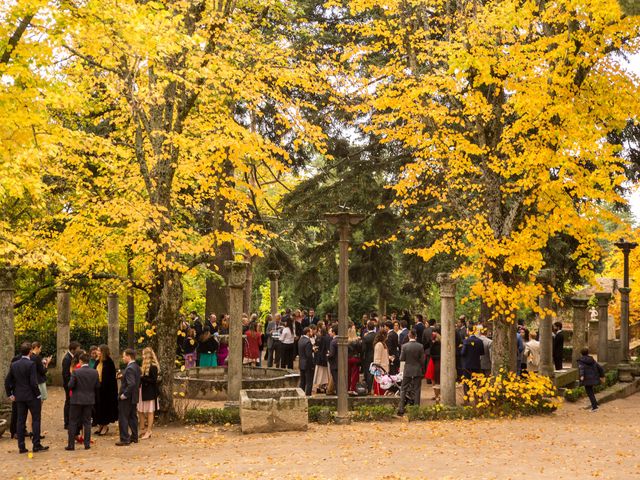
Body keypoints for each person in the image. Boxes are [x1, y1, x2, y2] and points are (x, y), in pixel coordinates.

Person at [4, 342, 48, 454]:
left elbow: (7, 380)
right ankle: (36, 444)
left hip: (19, 396)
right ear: (30, 352)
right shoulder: (31, 364)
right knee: (36, 419)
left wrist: (10, 394)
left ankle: (21, 447)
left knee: (20, 420)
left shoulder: (14, 364)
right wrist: (38, 394)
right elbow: (33, 382)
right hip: (32, 396)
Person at [66, 351, 99, 451]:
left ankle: (71, 445)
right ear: (88, 361)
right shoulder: (94, 372)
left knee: (73, 422)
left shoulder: (76, 372)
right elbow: (97, 386)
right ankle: (87, 444)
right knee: (87, 422)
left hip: (76, 399)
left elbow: (70, 385)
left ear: (80, 361)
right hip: (89, 399)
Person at [116, 349, 141, 446]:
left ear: (129, 356)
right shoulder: (136, 367)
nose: (122, 358)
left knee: (123, 417)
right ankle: (134, 437)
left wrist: (124, 394)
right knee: (132, 417)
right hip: (134, 396)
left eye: (123, 356)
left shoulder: (130, 368)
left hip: (127, 397)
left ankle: (125, 439)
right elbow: (137, 382)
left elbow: (131, 383)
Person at [397, 329, 425, 415]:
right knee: (417, 389)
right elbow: (422, 360)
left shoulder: (404, 346)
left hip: (408, 369)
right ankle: (416, 409)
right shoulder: (420, 346)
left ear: (409, 336)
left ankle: (401, 408)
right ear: (415, 336)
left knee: (403, 388)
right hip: (417, 369)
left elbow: (401, 358)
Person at [94, 344, 119, 436]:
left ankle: (105, 426)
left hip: (106, 391)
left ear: (103, 352)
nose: (97, 352)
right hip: (98, 389)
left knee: (104, 408)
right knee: (98, 408)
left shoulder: (109, 362)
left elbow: (110, 379)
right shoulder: (97, 362)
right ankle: (100, 425)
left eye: (99, 350)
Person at [138, 347, 159, 440]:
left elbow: (154, 380)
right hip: (142, 390)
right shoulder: (143, 365)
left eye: (143, 354)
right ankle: (142, 429)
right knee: (140, 410)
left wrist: (142, 378)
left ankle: (149, 430)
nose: (142, 356)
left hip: (150, 391)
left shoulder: (153, 366)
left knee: (150, 411)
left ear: (147, 355)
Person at [577, 347, 604, 412]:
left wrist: (581, 376)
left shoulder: (581, 361)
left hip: (587, 379)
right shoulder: (592, 360)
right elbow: (600, 368)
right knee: (591, 392)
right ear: (588, 353)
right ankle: (595, 404)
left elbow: (581, 368)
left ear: (581, 353)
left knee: (590, 393)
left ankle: (594, 407)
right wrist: (602, 376)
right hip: (593, 378)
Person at [62, 341, 81, 430]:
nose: (79, 350)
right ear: (73, 350)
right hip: (69, 385)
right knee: (68, 402)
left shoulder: (72, 357)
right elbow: (66, 374)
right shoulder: (67, 359)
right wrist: (70, 384)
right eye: (78, 349)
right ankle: (67, 422)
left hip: (71, 384)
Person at [461, 326, 484, 397]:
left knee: (466, 382)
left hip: (467, 365)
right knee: (476, 381)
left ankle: (467, 397)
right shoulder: (480, 341)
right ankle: (477, 397)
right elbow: (482, 352)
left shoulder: (466, 341)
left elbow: (463, 353)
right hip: (476, 364)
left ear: (468, 331)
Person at [425, 329, 442, 401]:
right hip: (434, 361)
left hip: (437, 361)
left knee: (436, 379)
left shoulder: (439, 343)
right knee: (434, 379)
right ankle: (437, 395)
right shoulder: (433, 342)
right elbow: (425, 346)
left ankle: (438, 395)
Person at [313, 327, 330, 394]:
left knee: (319, 374)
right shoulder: (327, 338)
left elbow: (316, 347)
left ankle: (318, 387)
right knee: (325, 374)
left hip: (319, 358)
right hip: (324, 358)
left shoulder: (318, 338)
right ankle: (324, 386)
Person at [361, 321, 377, 393]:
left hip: (367, 356)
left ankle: (369, 388)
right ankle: (374, 387)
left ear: (367, 327)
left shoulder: (366, 337)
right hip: (375, 355)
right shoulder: (377, 335)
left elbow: (363, 349)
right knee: (375, 371)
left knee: (368, 372)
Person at [298, 327, 314, 396]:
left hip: (301, 363)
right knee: (309, 382)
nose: (312, 333)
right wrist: (312, 365)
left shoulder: (300, 340)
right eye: (311, 331)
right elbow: (309, 355)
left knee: (302, 381)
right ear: (307, 332)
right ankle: (308, 396)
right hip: (307, 364)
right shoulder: (308, 342)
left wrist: (312, 350)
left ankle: (300, 395)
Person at [373, 329, 390, 396]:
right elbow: (377, 358)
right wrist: (377, 370)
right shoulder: (379, 345)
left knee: (383, 386)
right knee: (379, 387)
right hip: (380, 369)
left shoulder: (383, 344)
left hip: (384, 368)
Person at [347, 323, 362, 393]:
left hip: (348, 358)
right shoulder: (357, 341)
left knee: (348, 374)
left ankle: (347, 388)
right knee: (355, 375)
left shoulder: (346, 341)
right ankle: (353, 388)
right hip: (355, 358)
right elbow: (360, 350)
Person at [327, 325, 339, 394]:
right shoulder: (341, 340)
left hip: (334, 364)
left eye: (331, 331)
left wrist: (327, 355)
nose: (329, 333)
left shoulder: (333, 342)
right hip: (341, 363)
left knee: (336, 380)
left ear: (334, 332)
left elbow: (331, 354)